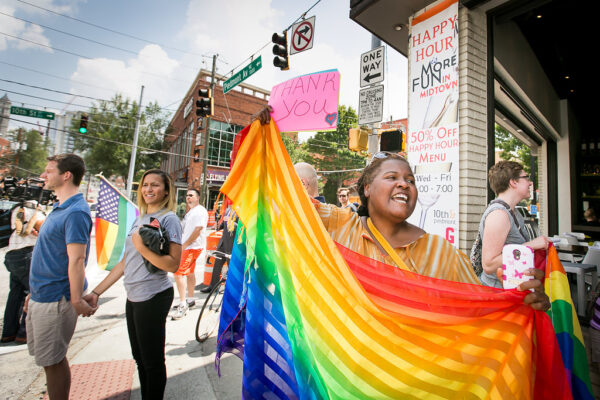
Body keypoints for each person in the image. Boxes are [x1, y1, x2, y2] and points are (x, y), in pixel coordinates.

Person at [254, 109, 549, 310]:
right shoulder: (339, 225)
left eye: (410, 180)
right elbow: (280, 202)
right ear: (366, 189)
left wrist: (520, 301)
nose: (404, 185)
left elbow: (481, 303)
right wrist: (263, 142)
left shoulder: (440, 253)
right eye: (392, 177)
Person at [83, 169, 182, 399]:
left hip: (154, 296)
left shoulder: (169, 219)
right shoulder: (140, 219)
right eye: (145, 185)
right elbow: (125, 262)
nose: (148, 189)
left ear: (166, 190)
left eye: (155, 185)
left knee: (152, 361)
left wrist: (142, 248)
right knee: (139, 357)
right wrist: (97, 292)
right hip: (134, 296)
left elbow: (173, 264)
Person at [24, 154, 95, 400]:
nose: (44, 175)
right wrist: (33, 293)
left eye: (49, 170)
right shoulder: (60, 207)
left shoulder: (76, 212)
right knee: (47, 360)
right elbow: (51, 256)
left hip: (56, 300)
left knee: (54, 361)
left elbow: (76, 260)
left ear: (66, 175)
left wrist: (76, 299)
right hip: (41, 296)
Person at [478, 161, 549, 288]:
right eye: (526, 177)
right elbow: (489, 265)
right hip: (497, 293)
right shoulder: (499, 214)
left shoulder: (513, 212)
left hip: (510, 288)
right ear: (513, 182)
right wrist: (532, 245)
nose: (530, 182)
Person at [1, 200, 44, 344]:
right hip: (28, 254)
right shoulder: (34, 209)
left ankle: (8, 333)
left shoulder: (14, 209)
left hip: (12, 255)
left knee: (15, 294)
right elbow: (44, 230)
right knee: (35, 292)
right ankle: (24, 334)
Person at [172, 188, 207, 320]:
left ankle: (182, 304)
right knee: (189, 272)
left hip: (191, 247)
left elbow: (198, 229)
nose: (188, 197)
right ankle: (190, 299)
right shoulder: (191, 212)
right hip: (189, 246)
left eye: (191, 195)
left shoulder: (199, 212)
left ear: (198, 198)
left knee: (178, 273)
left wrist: (185, 245)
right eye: (187, 195)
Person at [201, 204, 238, 293]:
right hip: (223, 242)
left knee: (231, 268)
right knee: (217, 265)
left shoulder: (240, 210)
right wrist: (219, 225)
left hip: (232, 243)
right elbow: (223, 225)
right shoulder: (228, 209)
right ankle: (213, 286)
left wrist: (232, 223)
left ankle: (233, 290)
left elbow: (243, 226)